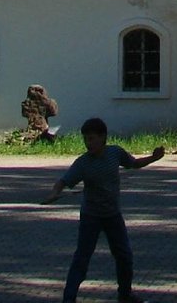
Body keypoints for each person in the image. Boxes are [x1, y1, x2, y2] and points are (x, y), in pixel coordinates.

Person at [41, 117, 165, 303]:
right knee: (82, 259)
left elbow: (133, 163)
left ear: (103, 137)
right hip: (91, 217)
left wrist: (154, 158)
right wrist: (54, 193)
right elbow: (63, 181)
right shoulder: (83, 163)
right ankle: (69, 298)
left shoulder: (115, 153)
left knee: (124, 256)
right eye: (85, 139)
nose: (88, 143)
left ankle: (125, 295)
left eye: (91, 139)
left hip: (113, 216)